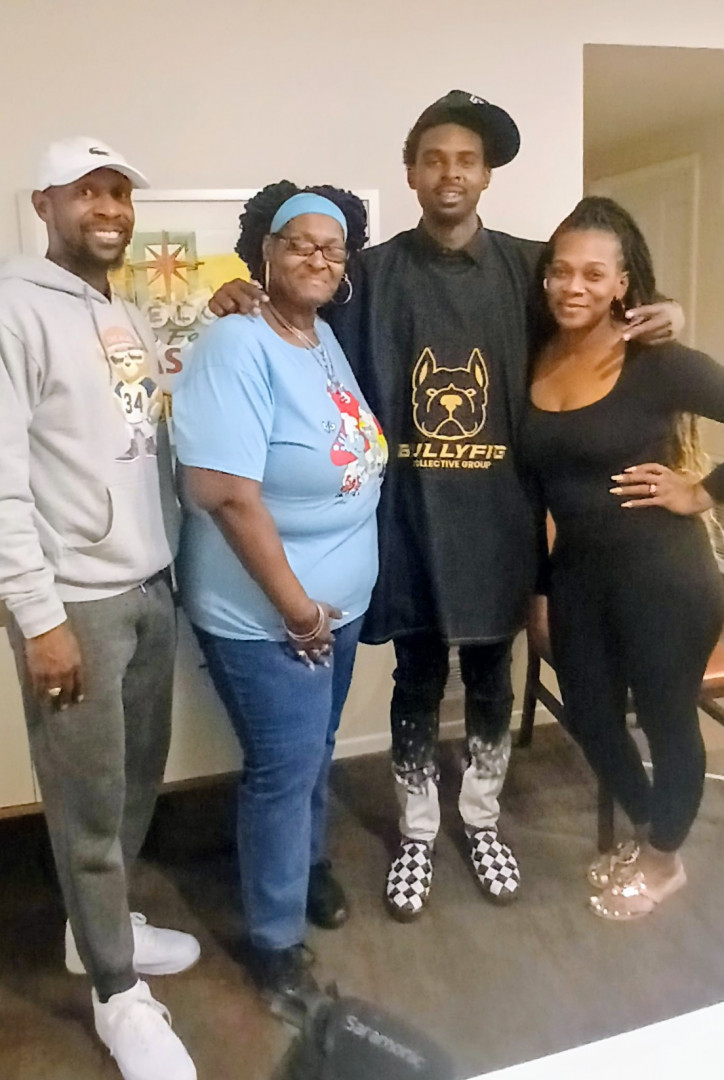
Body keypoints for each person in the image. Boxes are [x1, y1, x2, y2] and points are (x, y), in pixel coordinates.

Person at [210, 91, 681, 921]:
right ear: (412, 173)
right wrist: (235, 293)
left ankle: (483, 818)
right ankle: (418, 831)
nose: (450, 173)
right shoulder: (369, 275)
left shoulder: (532, 271)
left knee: (491, 677)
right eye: (434, 159)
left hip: (502, 522)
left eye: (466, 160)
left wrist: (666, 310)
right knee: (418, 676)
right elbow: (294, 299)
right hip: (409, 520)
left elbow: (600, 298)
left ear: (487, 174)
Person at [0, 137, 198, 1080]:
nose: (109, 208)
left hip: (149, 584)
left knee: (134, 781)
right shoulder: (14, 305)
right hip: (74, 604)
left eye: (119, 192)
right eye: (88, 191)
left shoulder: (118, 308)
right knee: (86, 807)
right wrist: (38, 618)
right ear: (45, 204)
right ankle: (117, 994)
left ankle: (99, 934)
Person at [172, 184, 387, 1005]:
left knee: (312, 752)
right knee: (282, 769)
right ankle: (273, 942)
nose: (318, 258)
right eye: (300, 242)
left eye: (332, 248)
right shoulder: (236, 344)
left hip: (336, 607)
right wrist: (298, 609)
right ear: (265, 249)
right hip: (269, 617)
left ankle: (307, 864)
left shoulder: (321, 335)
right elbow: (226, 494)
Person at [523, 195, 724, 920]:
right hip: (578, 575)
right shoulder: (535, 348)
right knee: (591, 716)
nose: (573, 286)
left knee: (668, 722)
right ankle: (651, 832)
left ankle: (664, 859)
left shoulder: (657, 361)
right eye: (561, 271)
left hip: (664, 577)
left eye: (593, 274)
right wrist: (539, 590)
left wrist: (699, 493)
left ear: (622, 283)